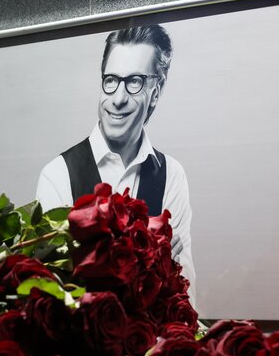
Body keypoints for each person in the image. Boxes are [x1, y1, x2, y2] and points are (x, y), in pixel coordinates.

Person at [36, 24, 195, 298]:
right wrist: (153, 259)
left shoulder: (172, 174)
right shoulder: (58, 174)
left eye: (134, 82)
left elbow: (183, 292)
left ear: (156, 92)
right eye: (111, 80)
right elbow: (53, 290)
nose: (118, 99)